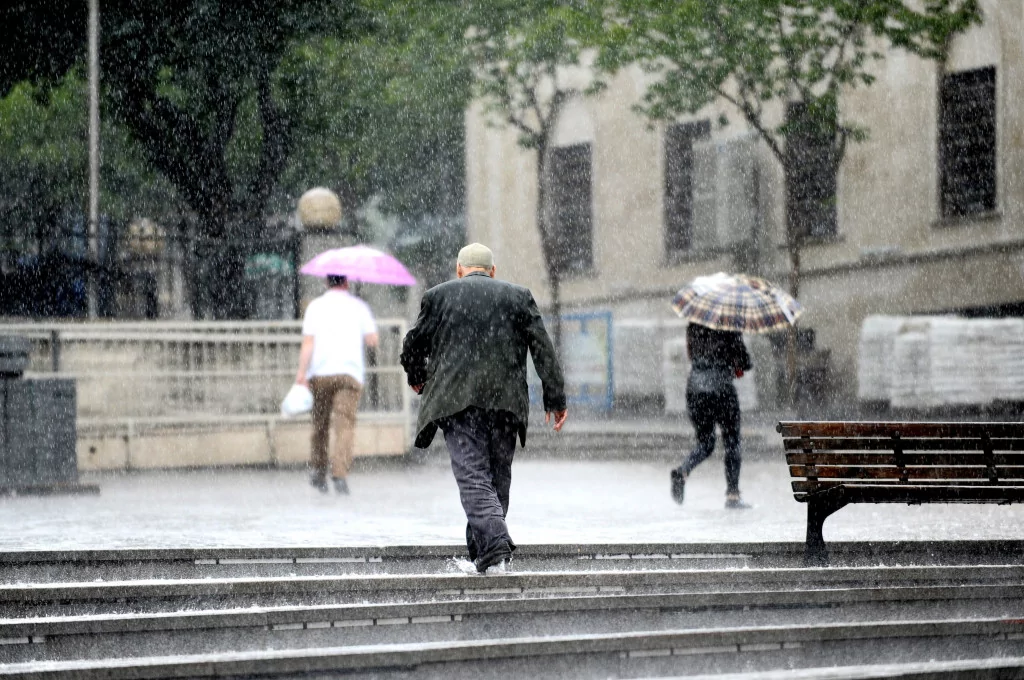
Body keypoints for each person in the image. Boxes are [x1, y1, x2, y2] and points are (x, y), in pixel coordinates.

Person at [400, 243, 567, 574]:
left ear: (459, 270)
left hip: (457, 403)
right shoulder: (518, 296)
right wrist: (556, 397)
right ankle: (484, 555)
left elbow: (412, 345)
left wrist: (418, 377)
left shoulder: (439, 296)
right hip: (505, 404)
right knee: (497, 478)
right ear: (492, 271)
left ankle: (492, 544)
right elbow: (543, 348)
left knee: (474, 476)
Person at [295, 274, 379, 495]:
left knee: (320, 424)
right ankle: (339, 474)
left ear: (326, 283)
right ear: (347, 283)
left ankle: (318, 470)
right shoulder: (359, 307)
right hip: (349, 374)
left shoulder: (315, 307)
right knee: (345, 426)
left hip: (320, 374)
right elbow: (372, 340)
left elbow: (308, 343)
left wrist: (302, 373)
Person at [671, 322, 753, 509]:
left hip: (695, 390)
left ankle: (683, 471)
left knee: (706, 443)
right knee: (732, 441)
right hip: (722, 389)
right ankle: (733, 495)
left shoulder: (693, 325)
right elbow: (745, 362)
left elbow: (692, 356)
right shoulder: (729, 325)